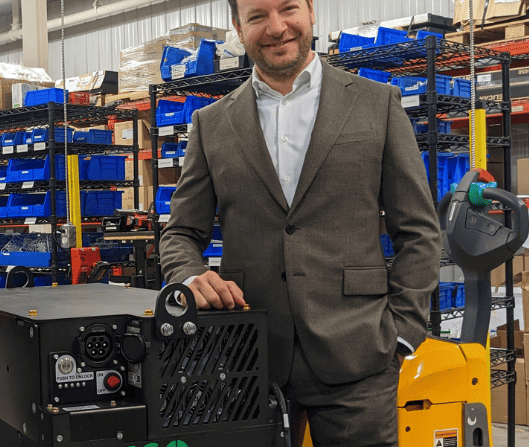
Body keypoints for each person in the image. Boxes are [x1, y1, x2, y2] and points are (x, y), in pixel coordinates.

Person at [157, 0, 441, 445]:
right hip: (247, 356)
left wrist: (402, 334)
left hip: (360, 357)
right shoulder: (210, 123)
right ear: (238, 27)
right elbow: (180, 232)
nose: (276, 27)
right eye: (256, 17)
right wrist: (190, 275)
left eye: (288, 8)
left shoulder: (376, 104)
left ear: (311, 11)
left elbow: (419, 231)